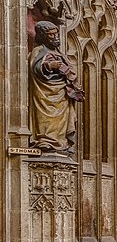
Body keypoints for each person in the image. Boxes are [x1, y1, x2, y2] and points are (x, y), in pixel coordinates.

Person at [29, 21, 84, 153]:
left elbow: (70, 70)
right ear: (43, 36)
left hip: (61, 93)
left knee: (62, 119)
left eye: (56, 34)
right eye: (51, 35)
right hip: (45, 91)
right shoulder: (39, 50)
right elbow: (35, 68)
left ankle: (60, 141)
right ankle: (45, 140)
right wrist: (49, 66)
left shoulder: (60, 53)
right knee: (47, 117)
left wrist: (69, 75)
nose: (55, 37)